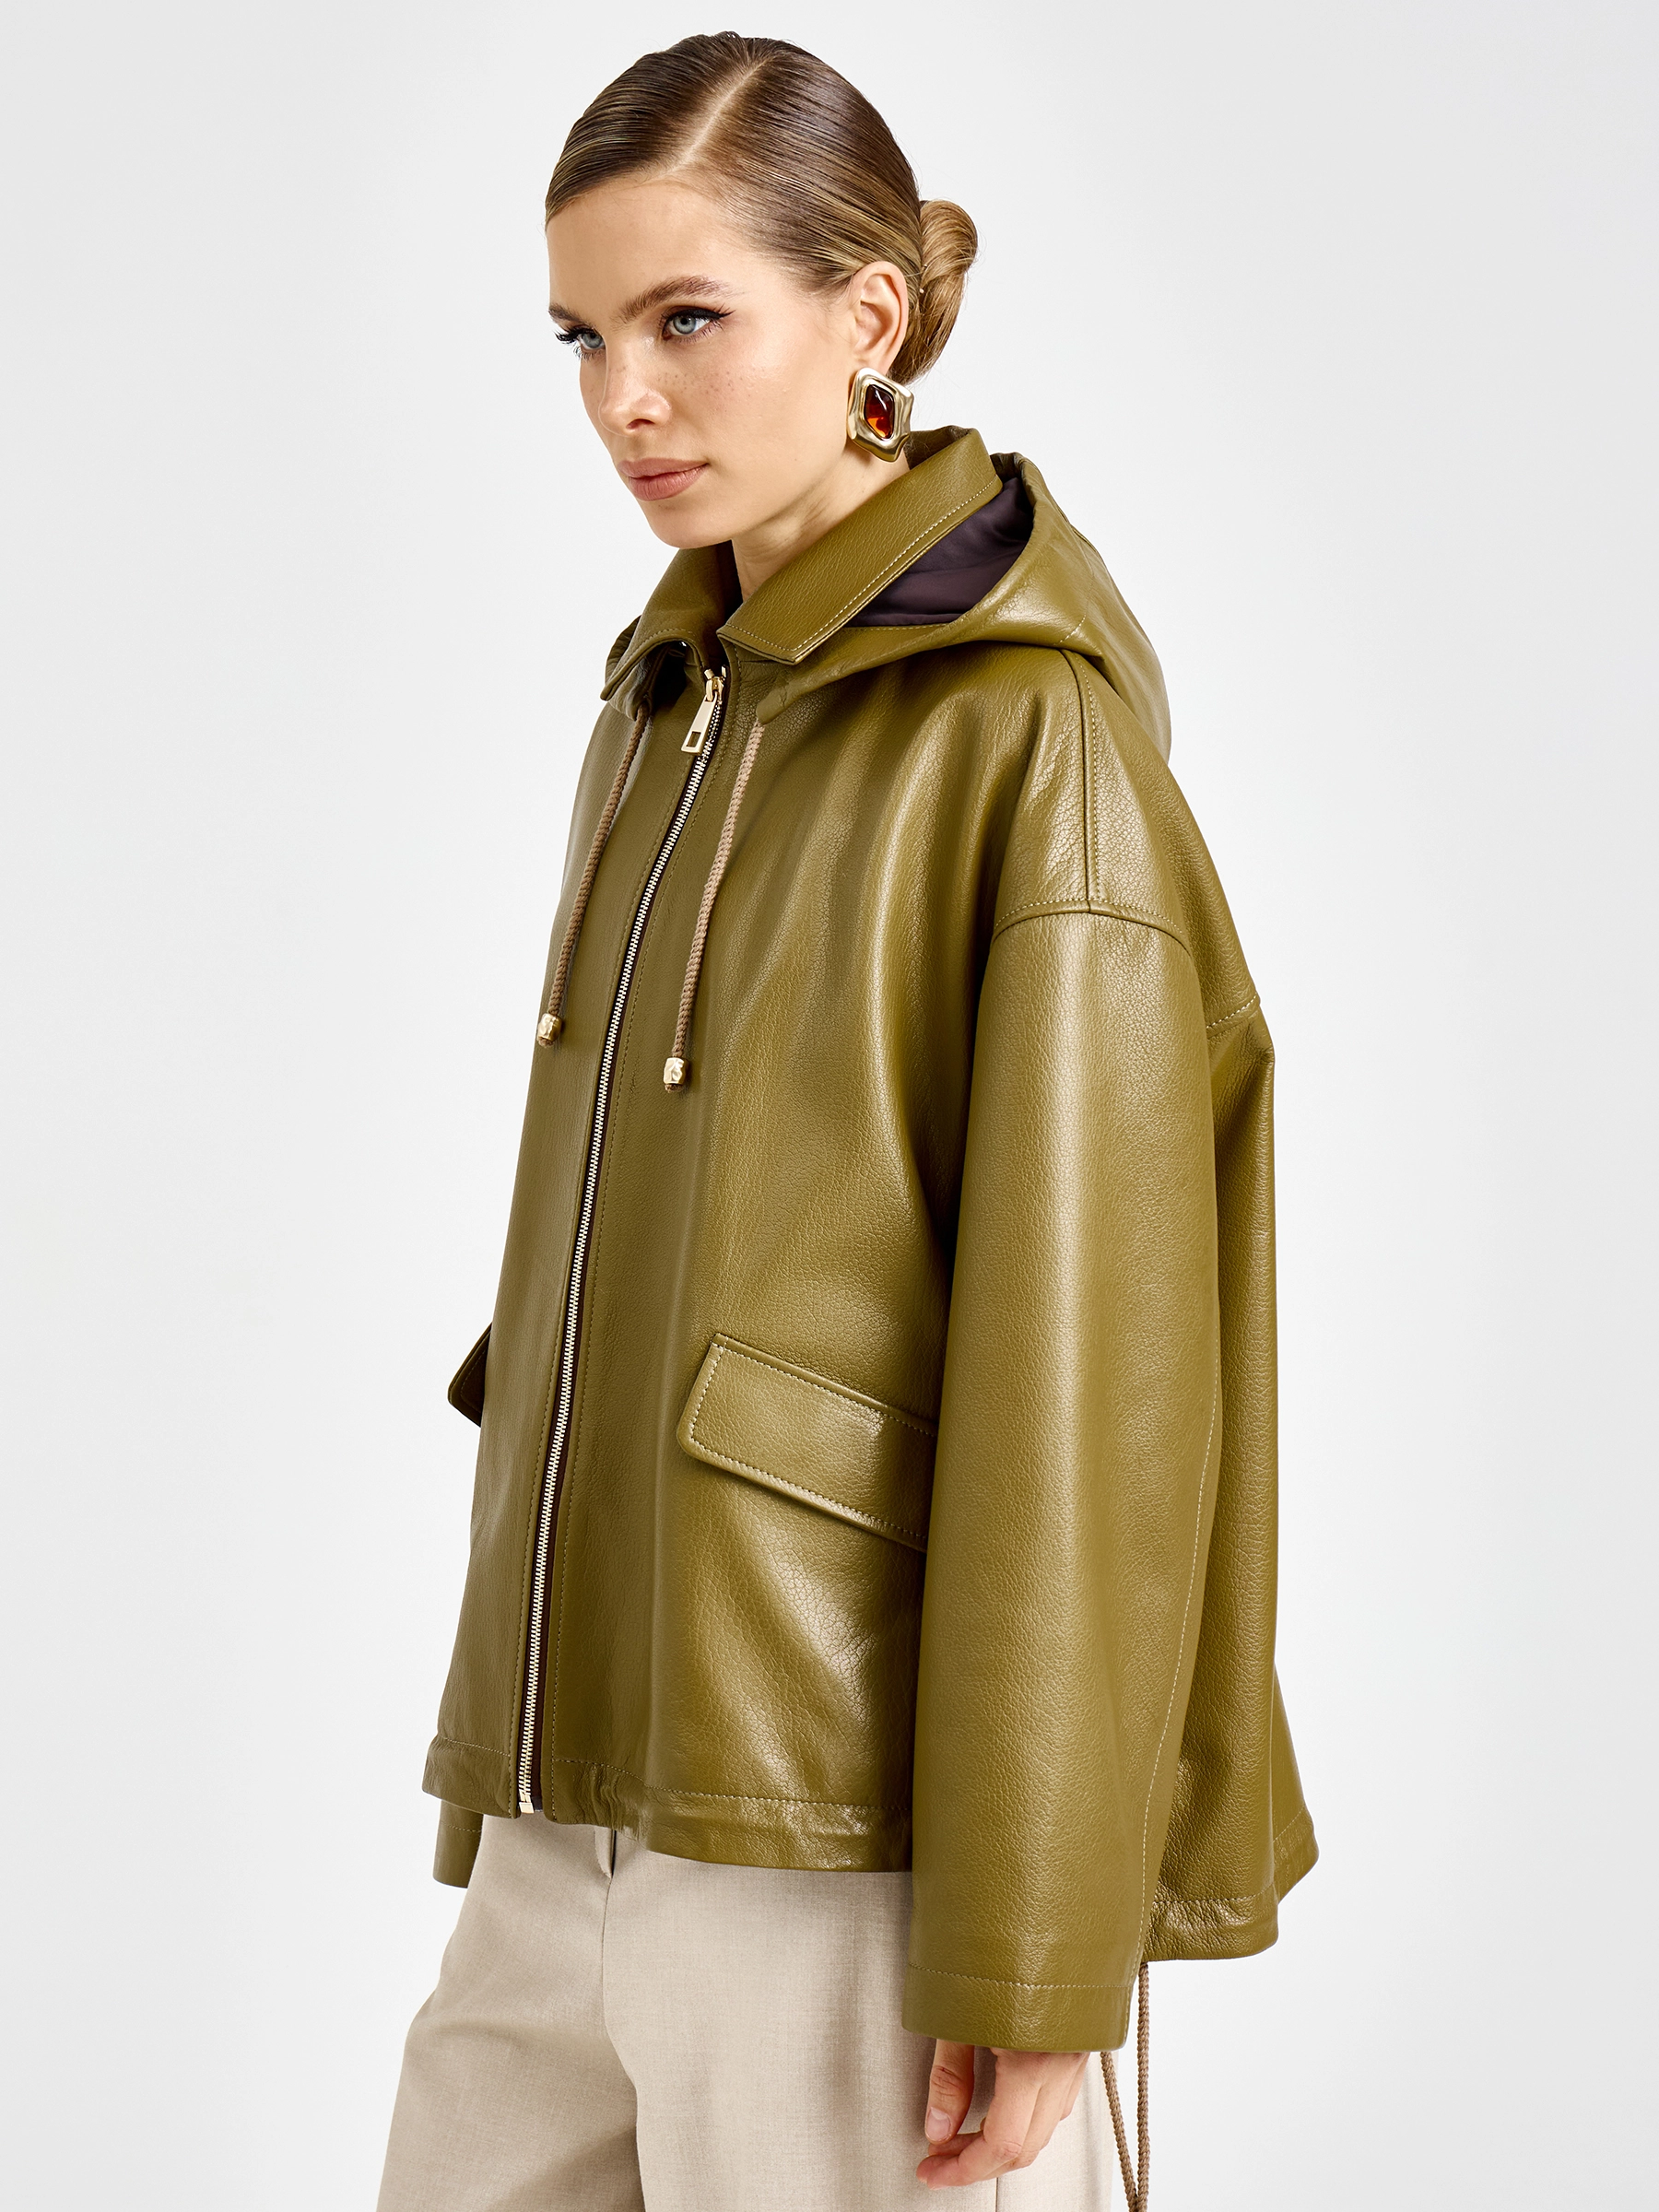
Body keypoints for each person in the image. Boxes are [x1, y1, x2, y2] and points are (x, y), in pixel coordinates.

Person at [377, 32, 1316, 2211]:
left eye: (688, 318)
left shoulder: (1028, 745)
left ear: (869, 316)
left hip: (845, 1837)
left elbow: (1096, 1381)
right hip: (567, 1799)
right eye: (583, 336)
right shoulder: (668, 704)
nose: (626, 398)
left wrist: (1034, 1926)